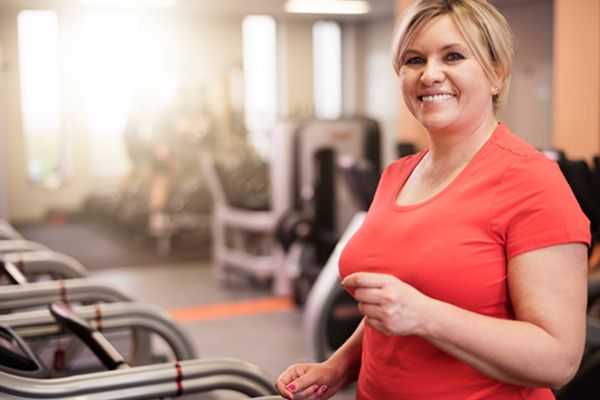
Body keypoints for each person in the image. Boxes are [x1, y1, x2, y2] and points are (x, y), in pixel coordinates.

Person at [275, 0, 591, 399]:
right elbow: (391, 310)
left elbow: (558, 360)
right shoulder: (398, 174)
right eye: (414, 60)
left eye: (453, 56)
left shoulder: (531, 181)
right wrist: (338, 365)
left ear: (496, 73)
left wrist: (426, 316)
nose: (430, 75)